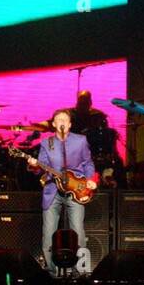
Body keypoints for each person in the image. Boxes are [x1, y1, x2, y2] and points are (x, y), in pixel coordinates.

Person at [28, 108, 96, 276]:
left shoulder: (80, 141)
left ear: (70, 124)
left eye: (65, 119)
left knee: (77, 230)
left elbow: (88, 163)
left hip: (76, 189)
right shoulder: (46, 143)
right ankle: (51, 272)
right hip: (52, 190)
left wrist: (90, 180)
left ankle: (78, 272)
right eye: (58, 119)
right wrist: (34, 165)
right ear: (53, 124)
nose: (62, 122)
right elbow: (41, 169)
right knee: (48, 232)